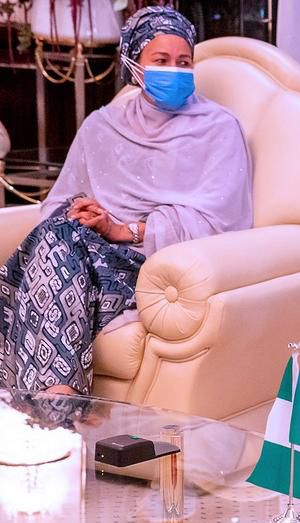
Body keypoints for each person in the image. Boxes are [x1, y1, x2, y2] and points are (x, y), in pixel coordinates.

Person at [0, 6, 252, 396]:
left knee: (50, 256)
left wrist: (124, 229)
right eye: (162, 61)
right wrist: (84, 212)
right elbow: (57, 206)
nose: (176, 70)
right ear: (134, 65)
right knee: (59, 234)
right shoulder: (102, 125)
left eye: (184, 62)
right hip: (81, 254)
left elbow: (223, 224)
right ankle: (56, 400)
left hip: (150, 269)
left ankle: (49, 409)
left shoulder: (219, 130)